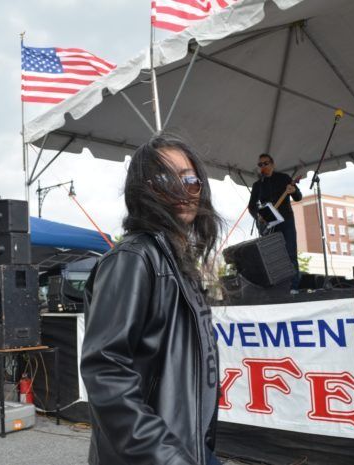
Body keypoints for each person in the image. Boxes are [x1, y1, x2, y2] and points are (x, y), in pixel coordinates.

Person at [80, 134, 223, 465]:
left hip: (190, 448)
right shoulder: (133, 259)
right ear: (143, 190)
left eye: (191, 179)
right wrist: (168, 456)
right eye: (166, 178)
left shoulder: (178, 261)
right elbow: (105, 371)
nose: (183, 190)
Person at [247, 153, 302, 292]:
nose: (263, 166)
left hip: (286, 220)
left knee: (290, 252)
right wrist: (258, 217)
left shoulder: (284, 178)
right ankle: (277, 286)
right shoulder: (257, 185)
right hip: (269, 223)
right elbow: (251, 206)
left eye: (266, 163)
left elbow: (298, 197)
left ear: (272, 164)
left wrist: (293, 190)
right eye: (260, 165)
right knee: (272, 255)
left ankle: (293, 287)